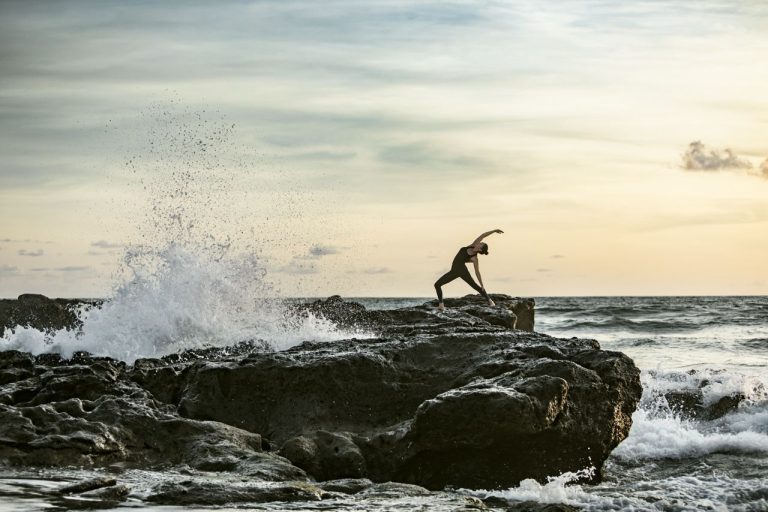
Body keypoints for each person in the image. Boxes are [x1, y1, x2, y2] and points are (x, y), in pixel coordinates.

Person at [434, 229, 503, 310]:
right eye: (480, 242)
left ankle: (490, 301)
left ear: (480, 249)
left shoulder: (474, 259)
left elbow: (477, 272)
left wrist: (482, 285)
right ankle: (441, 305)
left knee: (476, 286)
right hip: (454, 271)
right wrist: (494, 231)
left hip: (463, 271)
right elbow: (483, 235)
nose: (479, 242)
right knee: (437, 284)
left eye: (481, 244)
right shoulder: (473, 244)